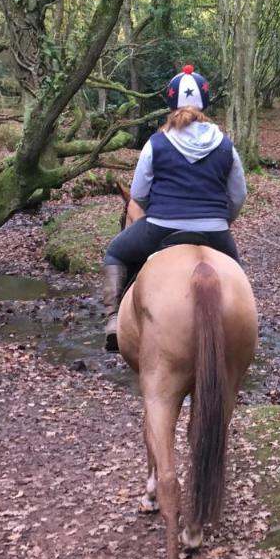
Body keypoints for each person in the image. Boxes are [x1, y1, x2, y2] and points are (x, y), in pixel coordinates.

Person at [102, 65, 247, 352]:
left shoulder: (156, 143)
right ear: (204, 104)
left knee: (115, 252)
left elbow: (139, 195)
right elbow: (238, 195)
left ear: (170, 104)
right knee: (240, 279)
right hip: (215, 232)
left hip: (161, 228)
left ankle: (112, 319)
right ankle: (246, 332)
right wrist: (223, 219)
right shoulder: (225, 145)